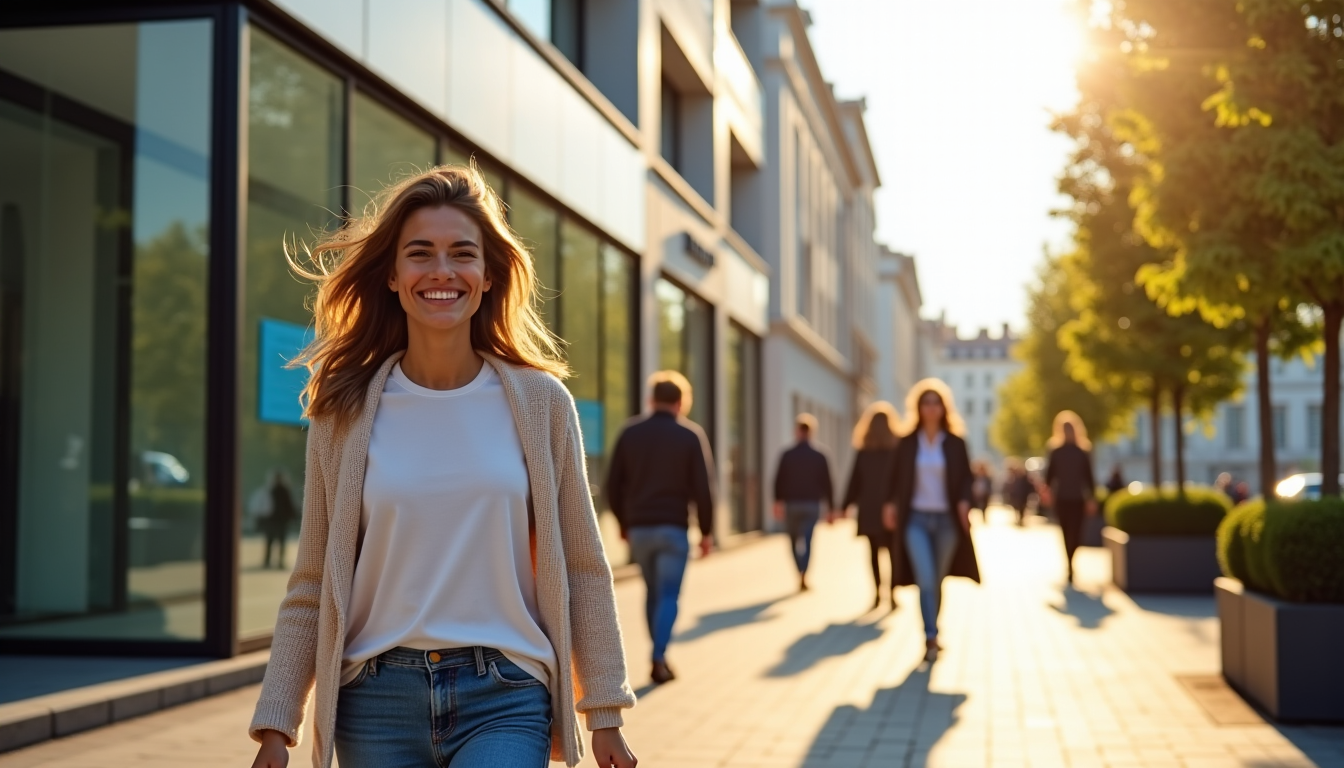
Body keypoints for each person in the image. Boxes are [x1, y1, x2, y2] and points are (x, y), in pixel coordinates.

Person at [248, 165, 636, 768]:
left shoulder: (541, 405)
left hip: (505, 693)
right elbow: (314, 578)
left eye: (462, 254)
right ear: (393, 276)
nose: (442, 271)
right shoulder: (344, 410)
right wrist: (278, 721)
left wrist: (604, 709)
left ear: (486, 277)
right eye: (420, 253)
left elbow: (583, 564)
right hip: (373, 699)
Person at [606, 369, 715, 686]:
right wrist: (706, 532)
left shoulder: (630, 433)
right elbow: (704, 489)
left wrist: (624, 523)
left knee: (652, 593)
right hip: (673, 530)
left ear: (651, 399)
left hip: (640, 530)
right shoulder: (691, 435)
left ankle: (658, 654)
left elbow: (613, 484)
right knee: (669, 594)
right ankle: (659, 656)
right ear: (681, 402)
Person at [883, 379, 981, 663]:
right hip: (915, 520)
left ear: (943, 408)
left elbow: (966, 479)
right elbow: (893, 478)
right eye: (926, 402)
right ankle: (930, 635)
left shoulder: (955, 443)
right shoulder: (906, 443)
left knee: (937, 580)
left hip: (946, 521)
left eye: (935, 403)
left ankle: (933, 630)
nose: (931, 408)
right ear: (918, 407)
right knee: (925, 578)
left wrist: (965, 502)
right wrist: (889, 505)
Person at [841, 401, 901, 611]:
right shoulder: (897, 448)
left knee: (873, 553)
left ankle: (877, 593)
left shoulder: (864, 450)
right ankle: (892, 594)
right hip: (891, 510)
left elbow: (853, 481)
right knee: (893, 554)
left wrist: (844, 506)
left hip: (868, 509)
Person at [773, 413, 834, 592]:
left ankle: (800, 570)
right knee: (808, 540)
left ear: (797, 431)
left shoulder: (787, 455)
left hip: (792, 504)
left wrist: (777, 502)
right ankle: (804, 572)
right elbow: (828, 483)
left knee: (793, 540)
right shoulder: (820, 455)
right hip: (811, 505)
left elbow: (778, 480)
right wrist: (831, 507)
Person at [1045, 410, 1098, 586]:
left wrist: (1092, 498)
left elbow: (1089, 477)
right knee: (1065, 532)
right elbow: (1049, 475)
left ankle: (1071, 562)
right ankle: (1069, 565)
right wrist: (1046, 492)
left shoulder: (1083, 451)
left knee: (1077, 534)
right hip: (1062, 499)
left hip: (1077, 499)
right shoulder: (1056, 451)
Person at [262, 470, 298, 570]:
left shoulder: (271, 490)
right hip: (281, 520)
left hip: (272, 520)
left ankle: (268, 562)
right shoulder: (283, 490)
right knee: (280, 541)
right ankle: (278, 562)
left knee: (270, 541)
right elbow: (289, 505)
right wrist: (293, 517)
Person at [1004, 458, 1032, 526]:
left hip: (1022, 494)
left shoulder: (1024, 476)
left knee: (1022, 508)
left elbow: (1028, 485)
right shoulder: (1013, 476)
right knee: (1017, 507)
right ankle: (1019, 519)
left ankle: (1020, 519)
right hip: (1016, 495)